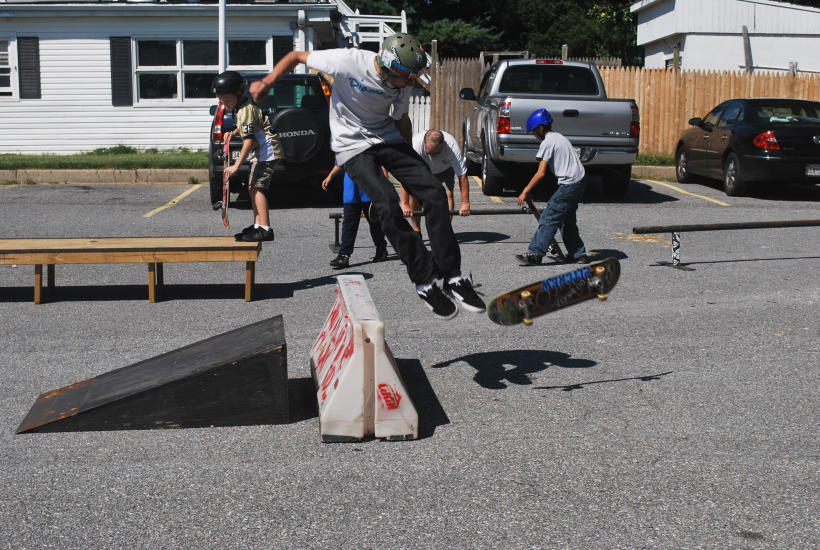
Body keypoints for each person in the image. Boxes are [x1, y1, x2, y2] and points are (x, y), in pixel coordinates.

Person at [249, 33, 485, 319]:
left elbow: (400, 119)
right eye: (407, 79)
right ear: (387, 70)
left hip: (388, 139)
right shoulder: (348, 61)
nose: (411, 84)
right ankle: (423, 281)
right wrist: (268, 82)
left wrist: (410, 163)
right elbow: (296, 56)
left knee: (434, 193)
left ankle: (452, 277)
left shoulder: (404, 79)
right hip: (351, 147)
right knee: (386, 202)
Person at [212, 71, 283, 242]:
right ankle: (257, 225)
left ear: (238, 93)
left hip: (267, 151)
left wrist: (236, 166)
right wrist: (234, 132)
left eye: (227, 100)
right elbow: (250, 127)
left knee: (257, 188)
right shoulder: (242, 106)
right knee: (252, 188)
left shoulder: (245, 110)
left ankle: (265, 229)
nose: (225, 104)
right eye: (221, 102)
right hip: (261, 151)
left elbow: (249, 142)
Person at [515, 108, 588, 265]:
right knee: (566, 220)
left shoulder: (547, 142)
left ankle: (535, 253)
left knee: (549, 218)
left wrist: (525, 190)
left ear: (541, 128)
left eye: (534, 131)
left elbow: (541, 173)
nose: (533, 135)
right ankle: (578, 254)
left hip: (569, 184)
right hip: (580, 181)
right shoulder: (558, 137)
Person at [401, 129, 471, 232]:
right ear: (424, 144)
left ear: (443, 145)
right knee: (414, 196)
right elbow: (405, 175)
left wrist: (465, 202)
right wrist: (405, 204)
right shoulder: (415, 145)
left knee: (448, 194)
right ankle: (417, 230)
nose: (433, 156)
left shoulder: (451, 146)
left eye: (437, 153)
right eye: (430, 153)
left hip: (444, 169)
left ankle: (445, 230)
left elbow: (462, 175)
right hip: (422, 170)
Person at [322, 162, 389, 269]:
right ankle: (344, 255)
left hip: (371, 190)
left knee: (375, 223)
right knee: (349, 225)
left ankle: (381, 249)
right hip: (351, 191)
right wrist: (330, 176)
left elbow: (381, 163)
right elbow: (340, 162)